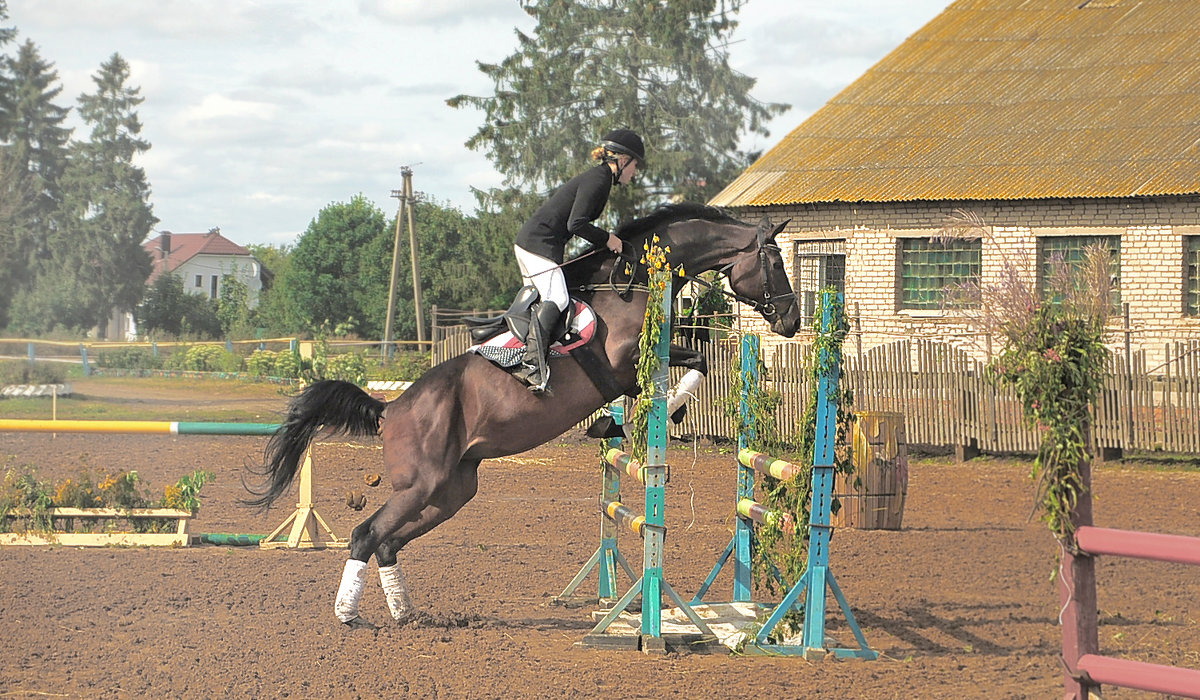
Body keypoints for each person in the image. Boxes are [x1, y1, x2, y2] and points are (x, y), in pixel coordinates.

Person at [512, 128, 645, 393]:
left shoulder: (601, 179)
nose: (635, 172)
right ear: (623, 160)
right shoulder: (599, 180)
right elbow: (577, 224)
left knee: (542, 303)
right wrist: (608, 239)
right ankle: (531, 367)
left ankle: (529, 358)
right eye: (635, 166)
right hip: (538, 245)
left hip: (533, 243)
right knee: (558, 299)